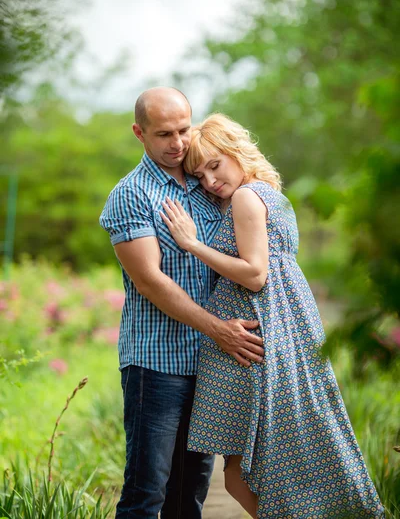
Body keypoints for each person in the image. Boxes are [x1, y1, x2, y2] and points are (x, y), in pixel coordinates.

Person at [160, 113, 385, 519]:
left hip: (260, 330)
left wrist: (191, 244)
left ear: (236, 152)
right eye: (201, 175)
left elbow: (256, 274)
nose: (210, 181)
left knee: (243, 470)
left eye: (215, 165)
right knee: (262, 458)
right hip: (277, 326)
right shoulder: (264, 192)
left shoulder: (247, 197)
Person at [99, 88, 264, 519]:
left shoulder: (207, 183)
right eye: (163, 134)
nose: (177, 143)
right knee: (146, 493)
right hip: (156, 365)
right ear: (139, 133)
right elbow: (151, 281)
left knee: (188, 495)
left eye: (184, 129)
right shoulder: (131, 194)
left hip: (209, 364)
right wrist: (218, 329)